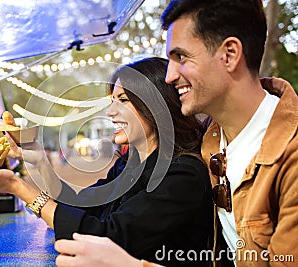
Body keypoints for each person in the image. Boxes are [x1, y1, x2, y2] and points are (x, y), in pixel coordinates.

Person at [54, 0, 298, 266]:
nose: (169, 76)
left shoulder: (289, 158)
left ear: (229, 54)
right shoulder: (210, 138)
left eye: (180, 57)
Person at [0, 57, 213, 266]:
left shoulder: (183, 176)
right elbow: (85, 206)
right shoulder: (133, 164)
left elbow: (108, 237)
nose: (111, 112)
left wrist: (17, 187)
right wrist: (36, 160)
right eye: (112, 101)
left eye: (123, 100)